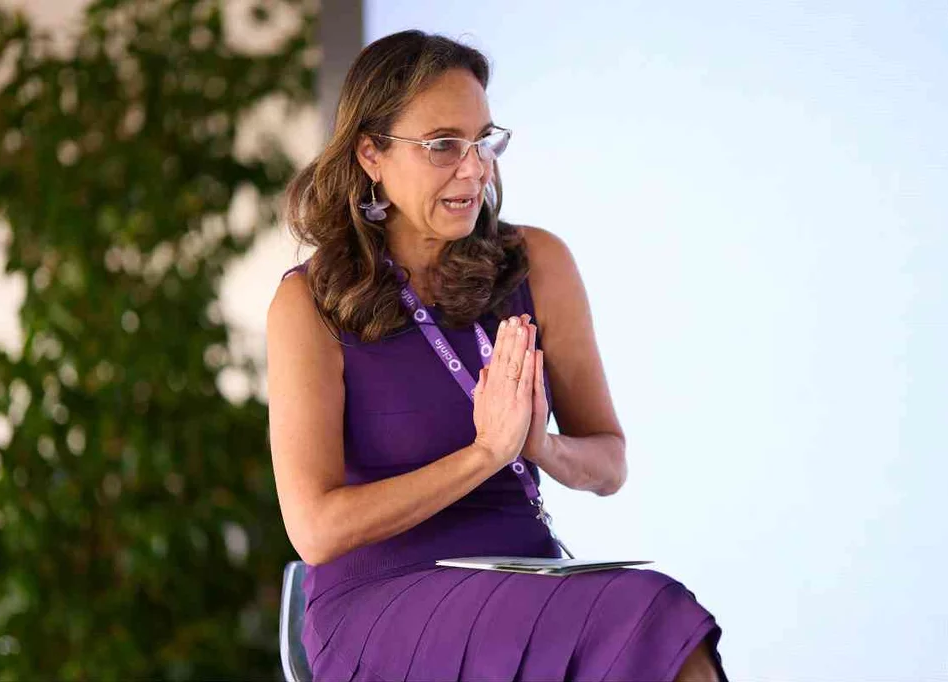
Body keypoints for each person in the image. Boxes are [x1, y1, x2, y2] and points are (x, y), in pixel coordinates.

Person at [266, 29, 728, 682]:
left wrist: (539, 445)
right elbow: (315, 529)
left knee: (661, 627)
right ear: (371, 153)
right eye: (442, 146)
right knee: (648, 615)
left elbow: (608, 464)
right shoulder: (308, 304)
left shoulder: (538, 263)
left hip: (528, 578)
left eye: (483, 140)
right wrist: (484, 454)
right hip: (382, 603)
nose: (474, 168)